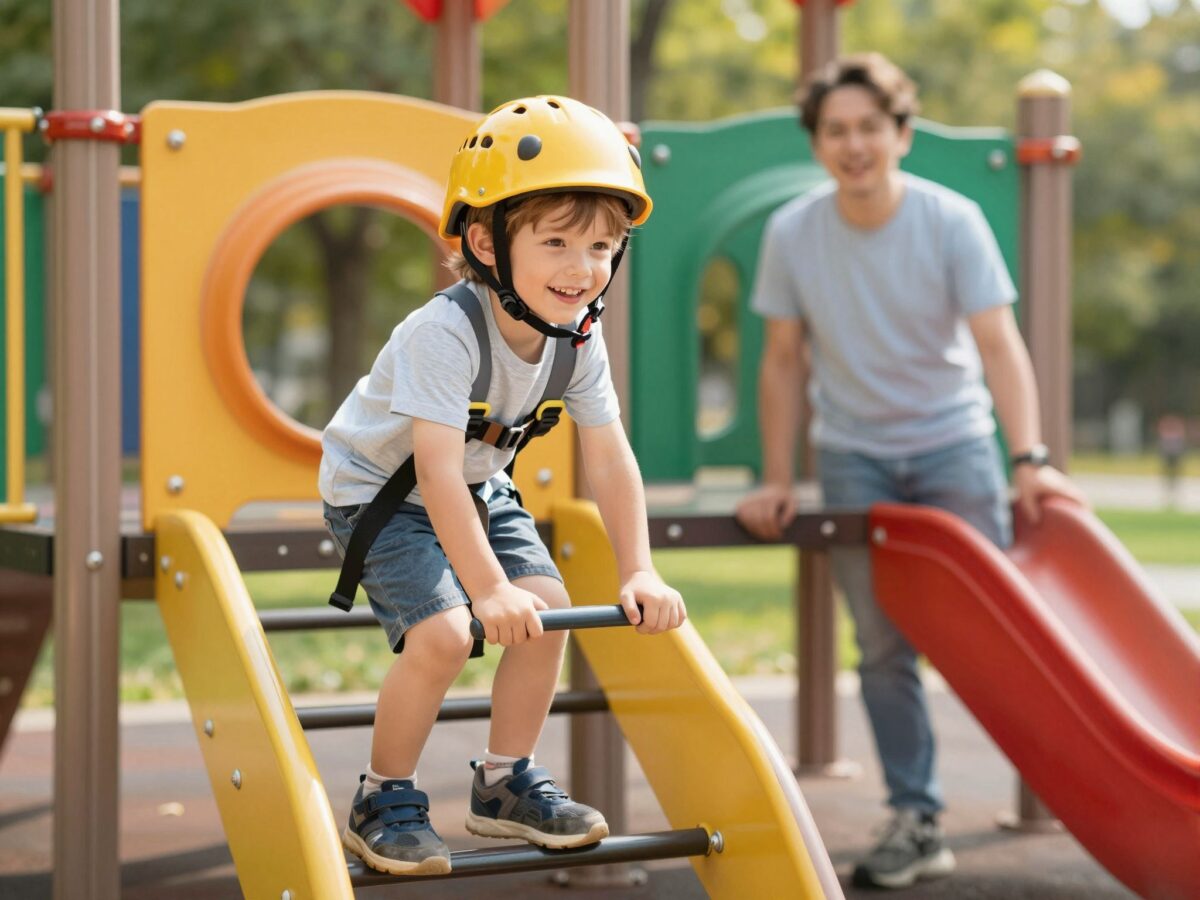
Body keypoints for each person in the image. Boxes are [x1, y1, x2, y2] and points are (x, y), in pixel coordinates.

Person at [735, 54, 1086, 890]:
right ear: (818, 144)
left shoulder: (950, 220)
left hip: (952, 445)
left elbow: (999, 344)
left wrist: (1028, 459)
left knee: (998, 631)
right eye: (835, 131)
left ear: (901, 134)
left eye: (868, 127)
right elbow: (783, 361)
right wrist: (779, 474)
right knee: (884, 645)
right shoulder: (793, 231)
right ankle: (917, 817)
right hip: (856, 456)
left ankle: (1074, 778)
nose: (853, 145)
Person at [319, 95, 686, 876]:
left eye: (601, 245)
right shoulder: (443, 333)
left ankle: (503, 783)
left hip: (478, 484)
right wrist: (485, 588)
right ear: (484, 242)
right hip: (381, 491)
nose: (581, 268)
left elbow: (610, 456)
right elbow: (435, 471)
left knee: (548, 612)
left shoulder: (577, 337)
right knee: (446, 634)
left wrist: (639, 568)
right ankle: (381, 796)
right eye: (556, 241)